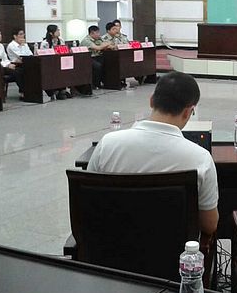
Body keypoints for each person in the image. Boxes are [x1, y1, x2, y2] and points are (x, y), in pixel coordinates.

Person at [87, 71, 219, 235]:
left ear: (151, 101)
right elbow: (209, 225)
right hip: (172, 251)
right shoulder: (200, 159)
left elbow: (87, 203)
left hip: (109, 248)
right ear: (187, 112)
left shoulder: (107, 144)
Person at [39, 24, 70, 100]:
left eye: (59, 30)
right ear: (51, 33)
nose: (59, 32)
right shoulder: (45, 43)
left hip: (59, 62)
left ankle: (62, 90)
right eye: (57, 30)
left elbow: (64, 51)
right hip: (48, 64)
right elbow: (42, 54)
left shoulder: (61, 40)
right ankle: (54, 91)